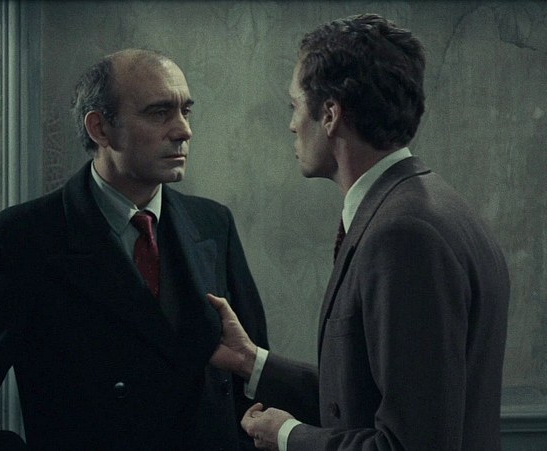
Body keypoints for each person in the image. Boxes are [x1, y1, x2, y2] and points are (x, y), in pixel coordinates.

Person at [0, 48, 269, 450]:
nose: (183, 130)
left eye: (186, 111)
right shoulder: (17, 241)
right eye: (159, 113)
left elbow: (253, 380)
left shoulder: (213, 224)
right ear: (100, 129)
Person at [208, 14, 510, 451]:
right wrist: (251, 362)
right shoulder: (425, 205)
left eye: (294, 106)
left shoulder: (402, 235)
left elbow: (410, 445)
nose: (292, 124)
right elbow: (375, 400)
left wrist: (288, 437)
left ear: (330, 114)